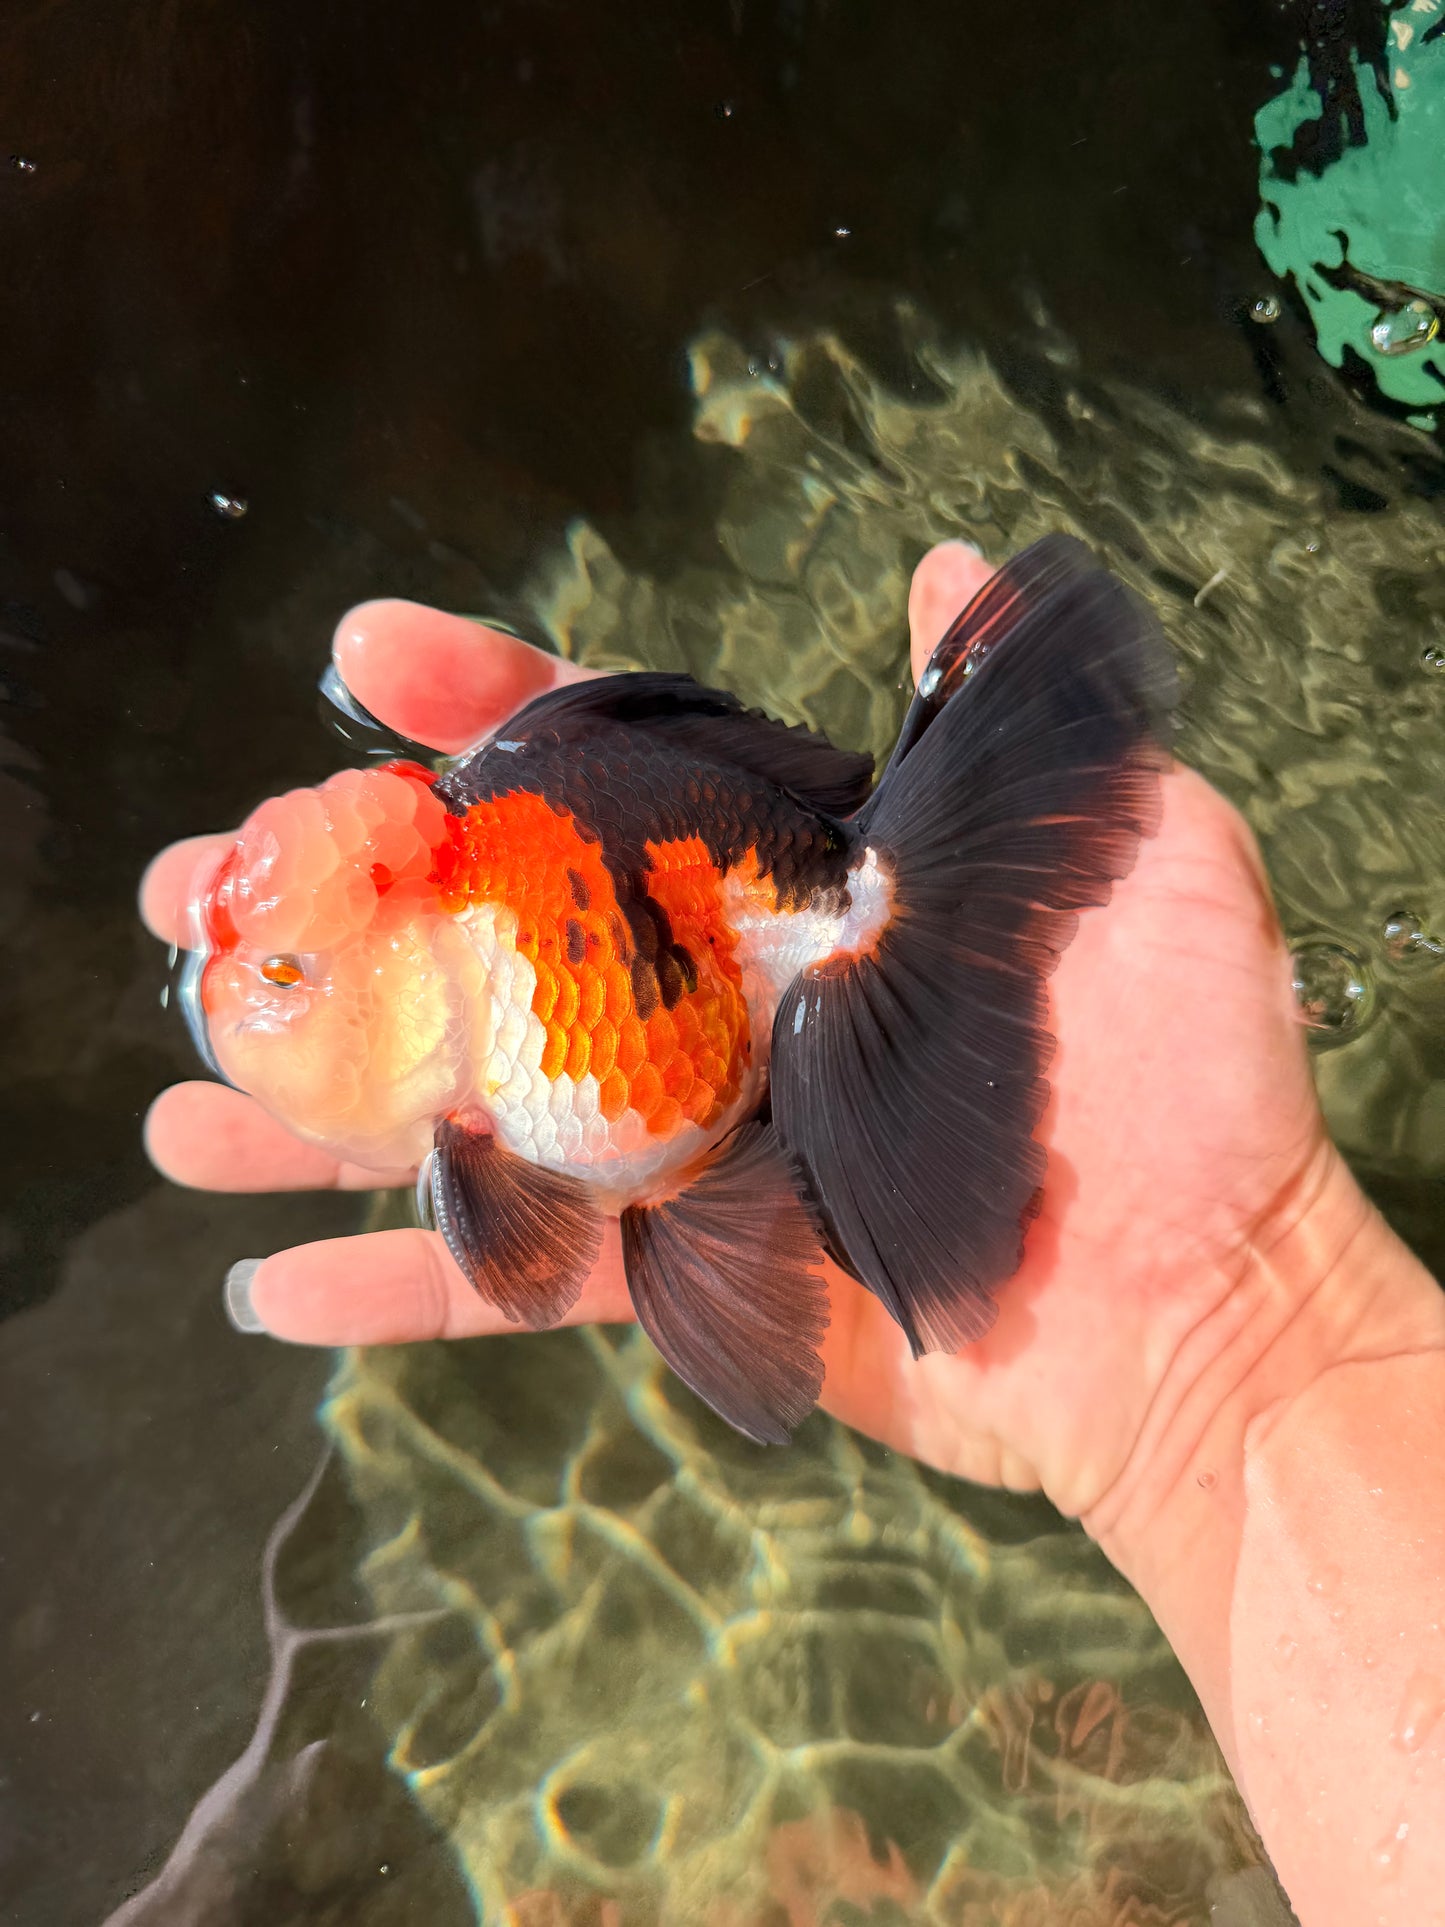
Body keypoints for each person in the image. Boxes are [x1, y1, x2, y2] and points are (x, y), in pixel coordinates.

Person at [140, 540, 1445, 1927]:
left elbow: (520, 1251)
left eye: (283, 977)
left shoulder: (513, 966)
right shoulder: (468, 1091)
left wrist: (1234, 1352)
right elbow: (522, 1247)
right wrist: (1240, 1362)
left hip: (762, 906)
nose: (244, 1005)